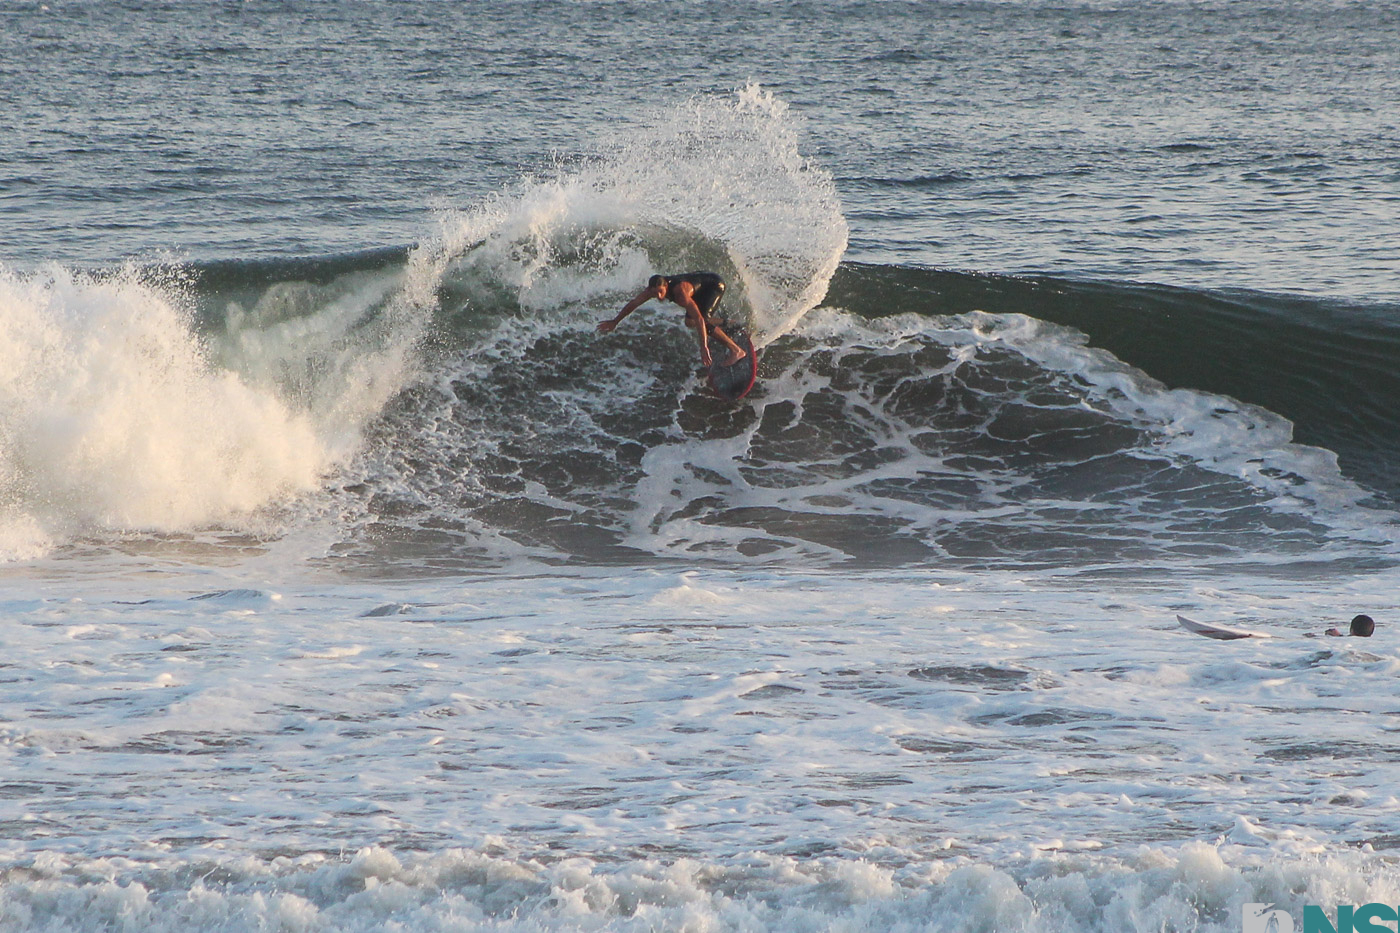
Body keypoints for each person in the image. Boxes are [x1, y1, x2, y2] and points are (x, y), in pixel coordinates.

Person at [598, 272, 747, 368]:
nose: (659, 297)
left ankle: (737, 351)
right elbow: (633, 304)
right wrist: (615, 321)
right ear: (650, 289)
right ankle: (728, 324)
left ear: (666, 286)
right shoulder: (652, 290)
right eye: (655, 293)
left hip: (713, 286)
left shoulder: (680, 294)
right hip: (699, 288)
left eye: (661, 293)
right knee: (689, 322)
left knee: (701, 322)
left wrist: (704, 346)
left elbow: (700, 320)